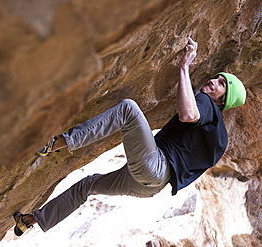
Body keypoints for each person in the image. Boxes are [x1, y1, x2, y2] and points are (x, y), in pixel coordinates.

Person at [12, 37, 247, 236]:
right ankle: (30, 221)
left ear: (223, 101)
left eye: (221, 84)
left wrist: (184, 66)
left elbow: (187, 114)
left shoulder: (207, 105)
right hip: (150, 186)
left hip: (155, 166)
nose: (214, 81)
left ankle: (53, 144)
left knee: (128, 109)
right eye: (217, 78)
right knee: (86, 186)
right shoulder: (218, 134)